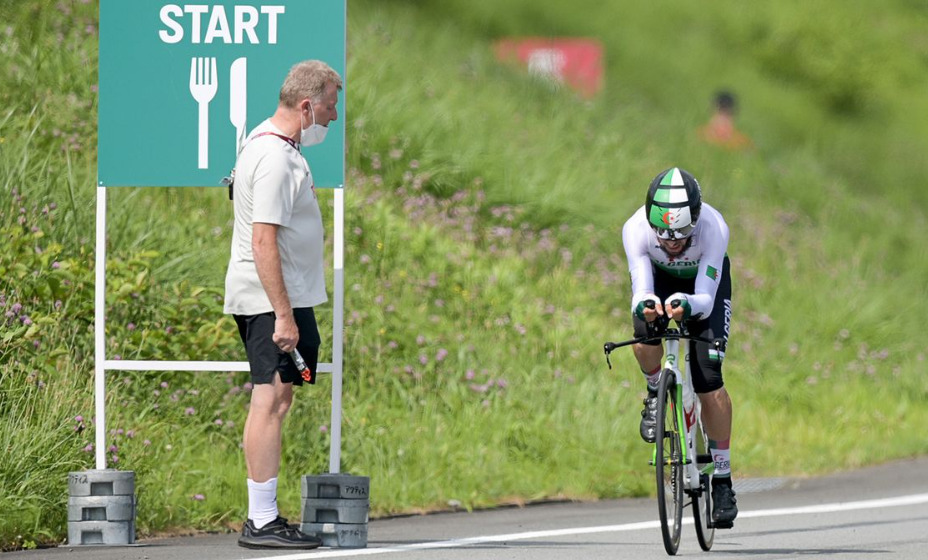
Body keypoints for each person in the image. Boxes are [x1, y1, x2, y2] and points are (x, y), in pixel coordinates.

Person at [223, 59, 342, 549]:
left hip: (284, 294)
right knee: (268, 397)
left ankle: (265, 515)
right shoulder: (273, 156)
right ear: (307, 105)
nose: (334, 116)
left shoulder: (273, 144)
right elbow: (262, 240)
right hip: (270, 298)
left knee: (282, 395)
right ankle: (261, 521)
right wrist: (284, 315)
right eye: (330, 105)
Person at [621, 167, 738, 528]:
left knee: (708, 379)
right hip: (659, 282)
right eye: (664, 235)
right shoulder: (635, 229)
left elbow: (706, 297)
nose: (672, 243)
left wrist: (687, 305)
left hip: (702, 290)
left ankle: (722, 480)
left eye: (682, 234)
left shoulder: (714, 228)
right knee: (643, 332)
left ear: (696, 221)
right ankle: (655, 390)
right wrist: (645, 305)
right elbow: (641, 289)